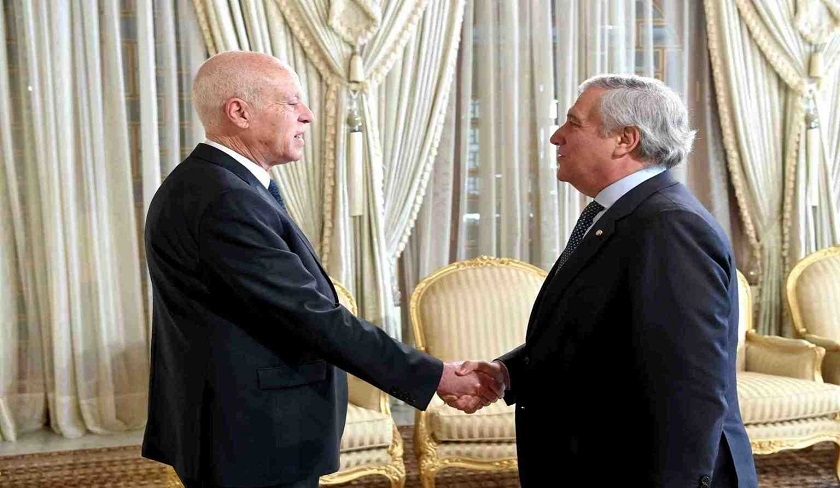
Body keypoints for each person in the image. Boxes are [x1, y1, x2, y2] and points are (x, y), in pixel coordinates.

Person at [141, 50, 502, 488]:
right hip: (251, 437)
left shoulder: (219, 184)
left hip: (241, 427)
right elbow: (308, 315)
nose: (307, 115)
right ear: (239, 112)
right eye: (291, 102)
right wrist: (435, 375)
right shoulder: (226, 199)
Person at [459, 74, 758, 487]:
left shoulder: (668, 226)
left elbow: (685, 389)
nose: (557, 137)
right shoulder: (624, 214)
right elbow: (596, 336)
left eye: (573, 123)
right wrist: (508, 372)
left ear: (624, 140)